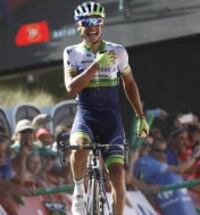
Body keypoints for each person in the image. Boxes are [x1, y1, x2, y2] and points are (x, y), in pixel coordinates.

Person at [63, 2, 149, 214]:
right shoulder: (71, 53)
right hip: (86, 116)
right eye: (87, 22)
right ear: (78, 26)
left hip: (111, 120)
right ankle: (79, 193)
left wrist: (141, 116)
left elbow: (129, 83)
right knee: (80, 146)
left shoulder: (117, 51)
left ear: (103, 25)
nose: (92, 27)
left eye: (97, 22)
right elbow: (71, 89)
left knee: (118, 175)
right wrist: (96, 66)